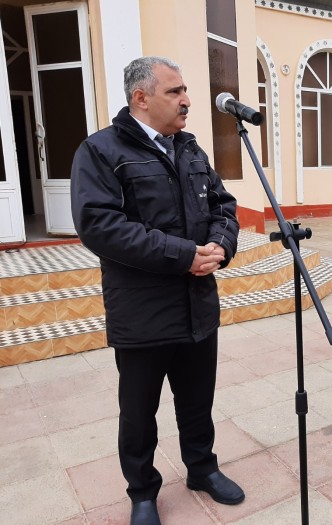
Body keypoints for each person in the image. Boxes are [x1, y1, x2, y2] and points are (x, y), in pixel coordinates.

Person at [71, 56, 243, 525]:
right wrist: (183, 254)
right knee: (139, 412)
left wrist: (218, 246)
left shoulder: (190, 150)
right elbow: (100, 225)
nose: (187, 99)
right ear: (141, 98)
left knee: (197, 401)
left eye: (185, 90)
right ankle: (143, 491)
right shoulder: (101, 151)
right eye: (175, 91)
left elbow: (224, 205)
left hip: (197, 307)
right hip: (142, 312)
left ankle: (202, 469)